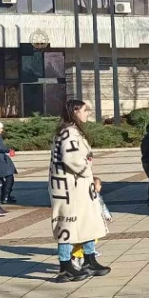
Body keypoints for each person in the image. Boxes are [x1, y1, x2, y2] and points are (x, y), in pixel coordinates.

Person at [48, 99, 110, 281]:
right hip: (70, 189)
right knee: (67, 225)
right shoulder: (68, 132)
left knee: (88, 222)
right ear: (74, 111)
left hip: (79, 186)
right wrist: (88, 172)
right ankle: (65, 266)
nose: (87, 113)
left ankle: (89, 260)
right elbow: (72, 159)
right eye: (84, 110)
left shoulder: (71, 131)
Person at [72, 177, 112, 267]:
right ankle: (75, 256)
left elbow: (102, 206)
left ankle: (87, 253)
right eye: (99, 185)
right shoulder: (91, 196)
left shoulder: (97, 196)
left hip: (96, 221)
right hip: (91, 222)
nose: (101, 186)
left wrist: (107, 215)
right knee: (89, 239)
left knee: (93, 238)